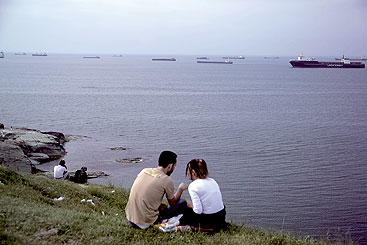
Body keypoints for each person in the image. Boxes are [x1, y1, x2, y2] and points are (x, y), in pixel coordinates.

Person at [125, 151, 188, 229]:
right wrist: (180, 189)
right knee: (182, 202)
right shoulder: (166, 180)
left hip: (131, 219)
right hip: (145, 222)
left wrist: (159, 205)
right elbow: (173, 203)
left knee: (163, 207)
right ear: (170, 166)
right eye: (174, 166)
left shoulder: (145, 171)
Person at [180, 159, 226, 232]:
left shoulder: (193, 186)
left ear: (193, 172)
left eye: (188, 170)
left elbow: (198, 211)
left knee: (185, 208)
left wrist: (191, 205)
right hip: (220, 217)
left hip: (208, 221)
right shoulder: (212, 181)